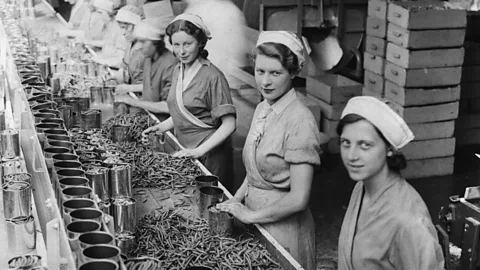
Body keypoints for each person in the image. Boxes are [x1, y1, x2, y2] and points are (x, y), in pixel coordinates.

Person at [216, 31, 321, 270]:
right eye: (260, 71)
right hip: (253, 216)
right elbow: (254, 171)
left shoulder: (300, 120)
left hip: (284, 230)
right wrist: (235, 201)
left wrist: (250, 216)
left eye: (275, 73)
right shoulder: (263, 107)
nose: (265, 82)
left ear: (293, 73)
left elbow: (299, 198)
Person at [336, 96, 445, 270]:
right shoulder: (362, 187)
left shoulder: (409, 222)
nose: (351, 156)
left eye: (365, 145)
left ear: (389, 148)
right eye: (346, 143)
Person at [141, 14, 236, 189]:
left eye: (187, 44)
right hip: (186, 150)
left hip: (210, 155)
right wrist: (161, 127)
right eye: (176, 45)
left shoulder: (213, 76)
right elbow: (183, 111)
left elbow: (229, 124)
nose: (181, 51)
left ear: (200, 43)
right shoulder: (179, 69)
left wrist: (199, 151)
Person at [114, 18, 177, 120]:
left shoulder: (170, 64)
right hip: (148, 115)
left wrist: (132, 101)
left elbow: (168, 107)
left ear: (155, 43)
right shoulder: (148, 58)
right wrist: (128, 88)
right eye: (138, 41)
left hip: (163, 122)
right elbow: (153, 88)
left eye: (143, 42)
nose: (140, 46)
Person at [108, 5, 145, 85]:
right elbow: (125, 69)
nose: (123, 33)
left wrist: (128, 88)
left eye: (125, 28)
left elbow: (151, 86)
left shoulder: (145, 48)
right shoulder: (130, 44)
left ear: (137, 25)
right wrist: (115, 78)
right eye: (121, 28)